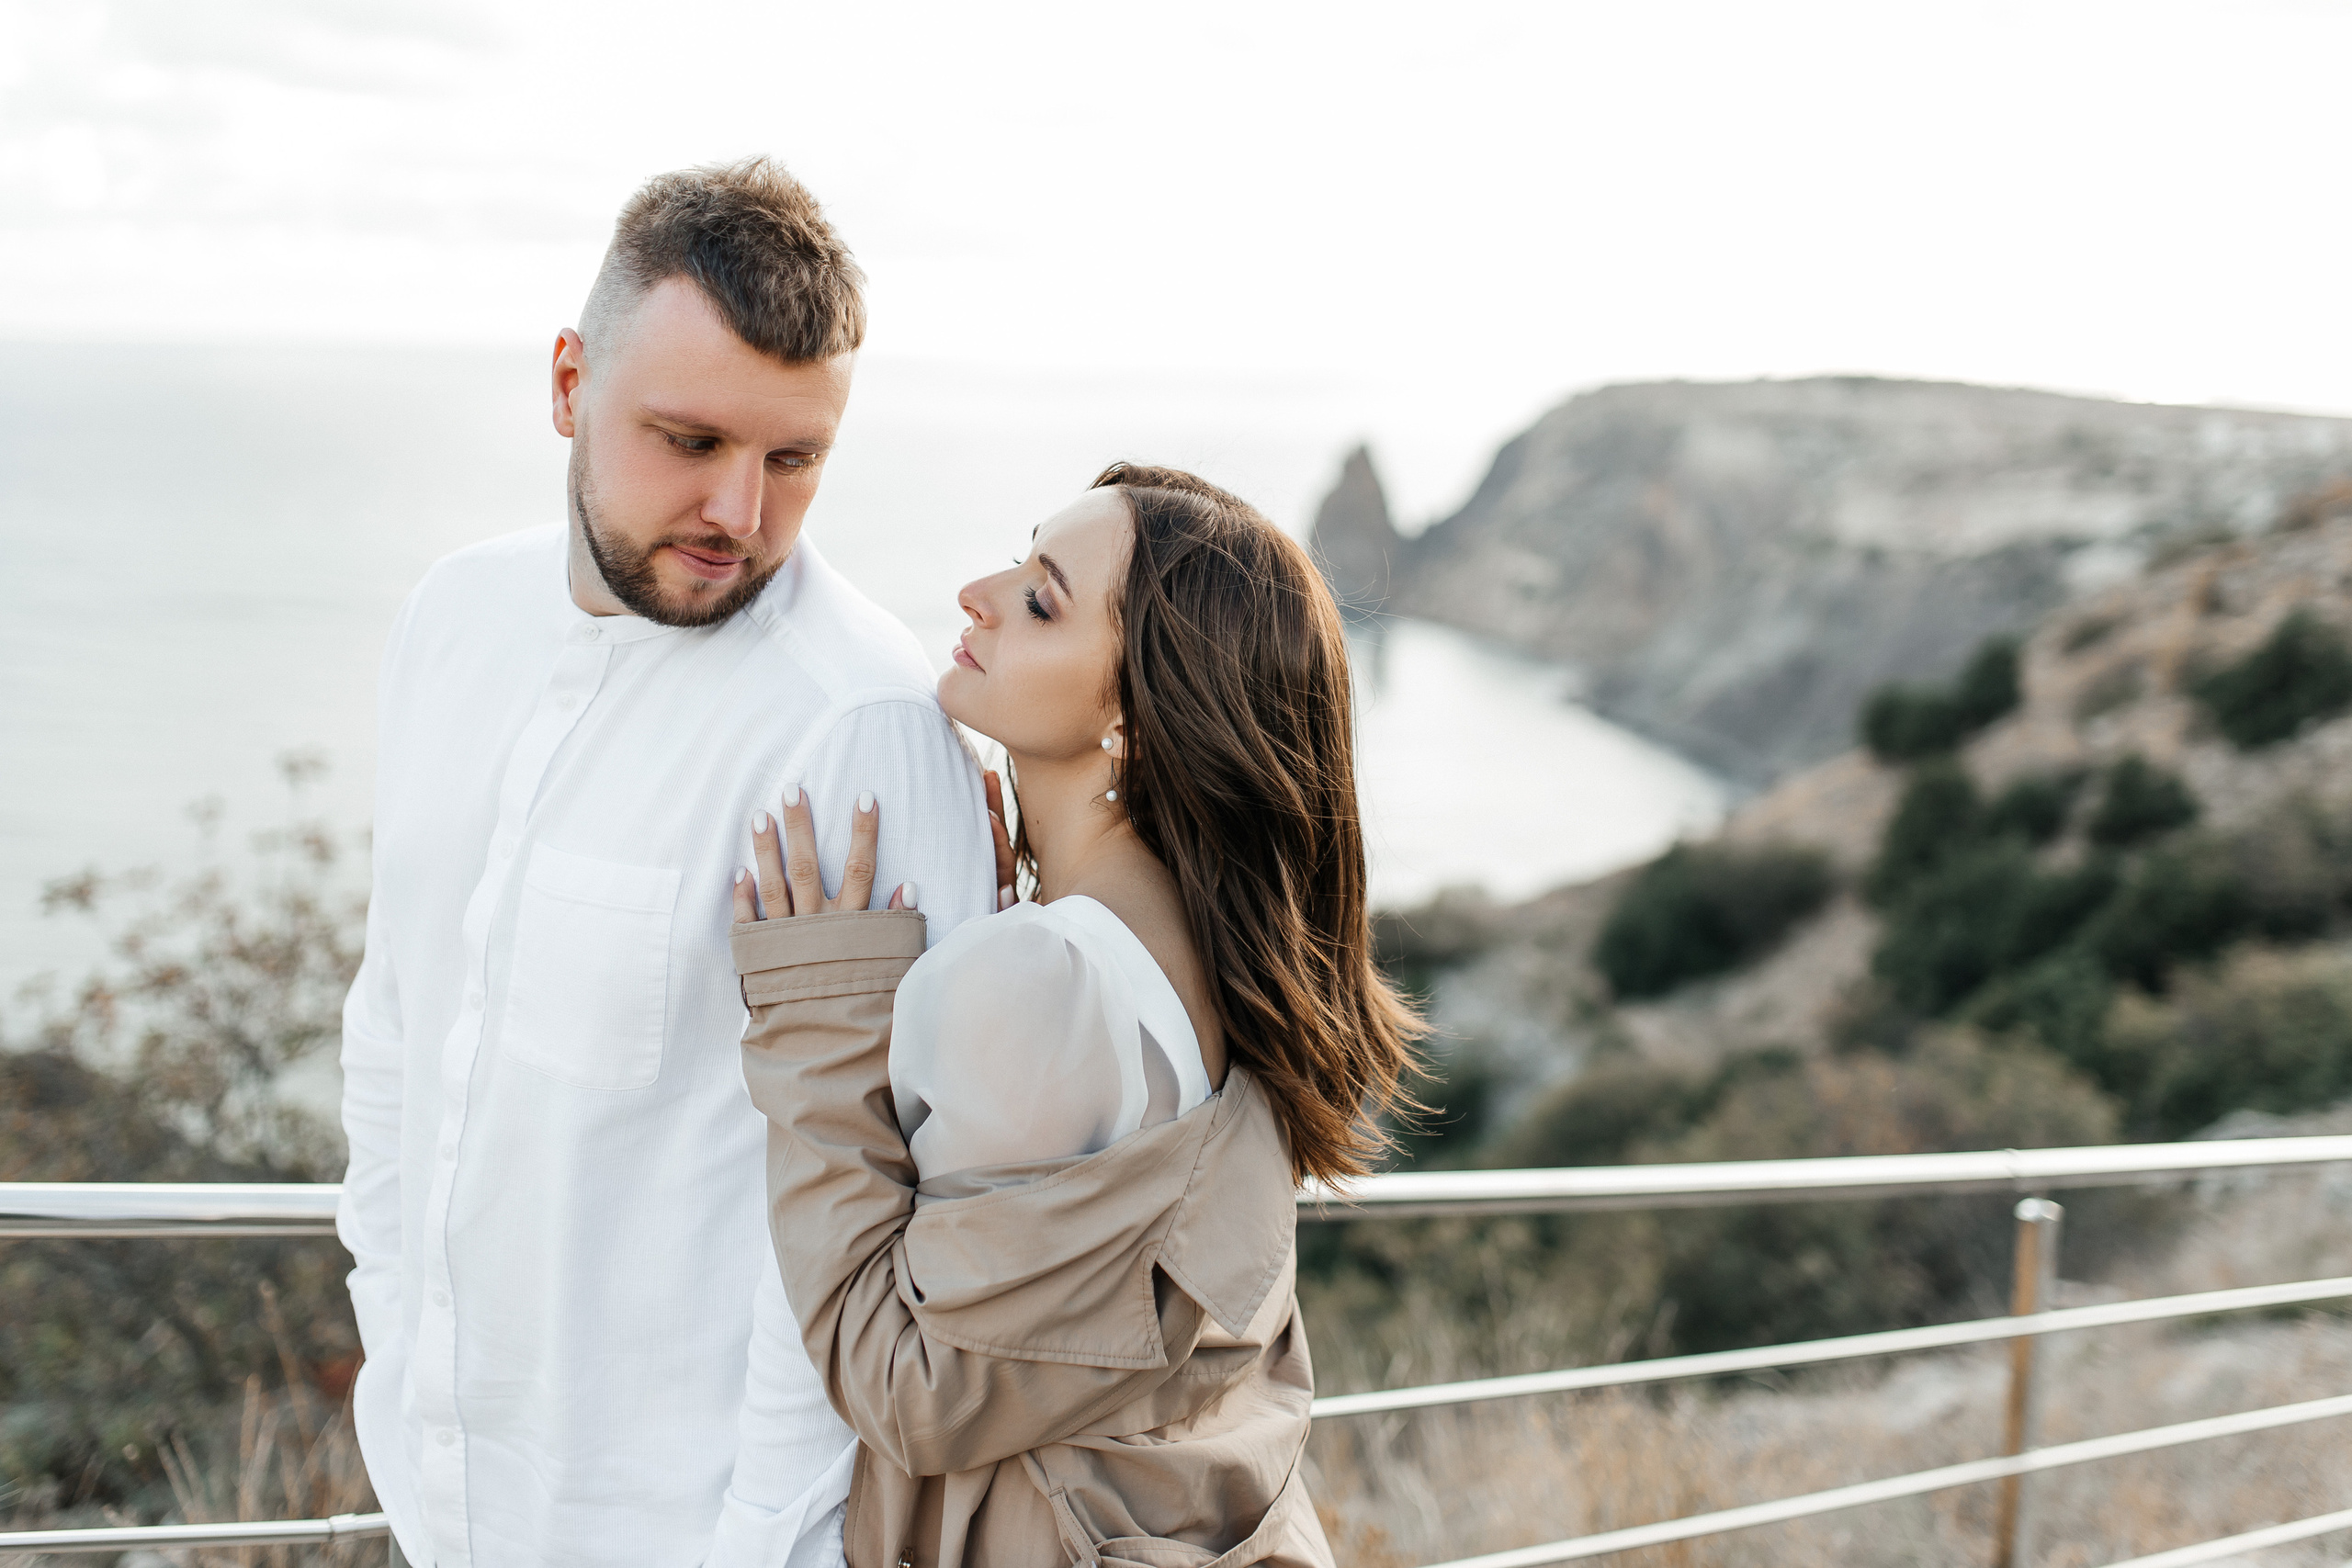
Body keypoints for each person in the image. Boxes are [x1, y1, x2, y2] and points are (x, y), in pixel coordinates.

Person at [334, 158, 997, 1568]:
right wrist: (393, 1334)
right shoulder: (451, 617)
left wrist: (758, 1544)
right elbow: (396, 1016)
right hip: (441, 1501)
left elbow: (899, 1211)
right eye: (689, 439)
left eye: (794, 458)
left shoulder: (859, 728)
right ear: (570, 383)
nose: (740, 513)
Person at [726, 464, 1426, 1565]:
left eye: (1041, 598)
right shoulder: (1221, 961)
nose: (977, 592)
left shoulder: (1041, 978)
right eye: (1020, 557)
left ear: (1138, 720)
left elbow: (907, 1388)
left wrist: (819, 1022)